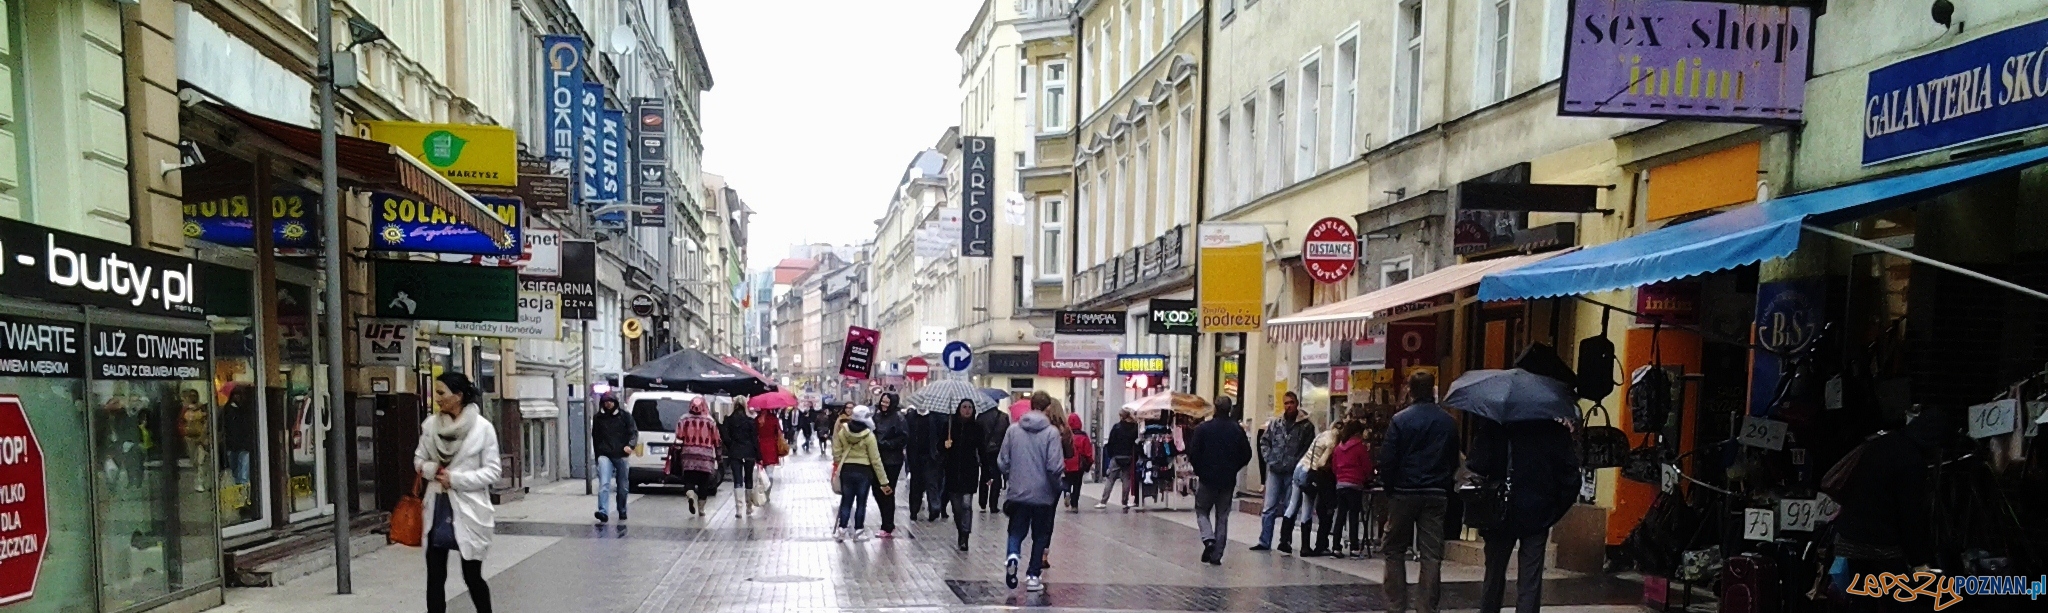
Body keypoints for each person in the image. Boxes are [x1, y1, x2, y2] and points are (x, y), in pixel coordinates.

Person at [1830, 410, 1946, 610]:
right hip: (1881, 545)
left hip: (1850, 537)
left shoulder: (1880, 444)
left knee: (1862, 600)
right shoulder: (1911, 462)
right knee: (1899, 600)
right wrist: (1923, 561)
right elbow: (1911, 516)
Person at [1467, 417, 1579, 613]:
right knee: (1530, 581)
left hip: (1499, 510)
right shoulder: (1553, 429)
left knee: (1493, 575)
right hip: (1538, 511)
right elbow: (1570, 477)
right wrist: (1554, 510)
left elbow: (1477, 464)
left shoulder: (1495, 424)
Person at [414, 373, 499, 613]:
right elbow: (419, 459)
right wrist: (430, 469)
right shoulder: (430, 425)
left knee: (472, 575)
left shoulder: (483, 429)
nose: (436, 398)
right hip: (438, 506)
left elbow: (493, 471)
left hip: (470, 509)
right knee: (435, 576)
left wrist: (457, 479)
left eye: (441, 393)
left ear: (458, 395)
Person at [1376, 371, 1460, 613]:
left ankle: (1396, 605)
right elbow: (1453, 459)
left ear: (1410, 391)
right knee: (1431, 553)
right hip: (1435, 492)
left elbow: (1388, 459)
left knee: (1393, 549)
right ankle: (1426, 607)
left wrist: (1391, 488)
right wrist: (1443, 483)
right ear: (1433, 389)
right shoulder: (1448, 421)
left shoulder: (1400, 420)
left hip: (1404, 491)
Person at [997, 402, 1065, 592]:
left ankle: (1012, 555)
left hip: (1018, 492)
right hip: (1043, 495)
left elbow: (1003, 461)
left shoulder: (1013, 430)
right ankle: (1033, 576)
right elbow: (1054, 466)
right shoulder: (1051, 433)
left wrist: (1012, 475)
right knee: (1040, 535)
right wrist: (1057, 485)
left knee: (1016, 531)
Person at [1185, 398, 1253, 566]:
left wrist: (1201, 470)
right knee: (1222, 516)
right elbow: (1247, 454)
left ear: (1215, 408)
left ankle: (1208, 539)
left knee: (1201, 510)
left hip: (1207, 479)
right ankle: (1217, 555)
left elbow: (1193, 453)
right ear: (1229, 409)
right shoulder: (1237, 430)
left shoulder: (1203, 429)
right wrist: (1234, 468)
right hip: (1227, 480)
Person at [1253, 392, 1316, 553]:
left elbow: (1308, 449)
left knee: (1290, 506)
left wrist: (1298, 464)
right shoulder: (1276, 423)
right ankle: (1264, 540)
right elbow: (1264, 441)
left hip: (1292, 471)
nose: (1289, 406)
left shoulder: (1306, 426)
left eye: (1291, 403)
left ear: (1297, 403)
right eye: (1286, 403)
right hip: (1275, 470)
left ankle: (1285, 540)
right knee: (1269, 507)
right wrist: (1270, 458)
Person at [832, 406, 891, 541]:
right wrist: (884, 481)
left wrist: (840, 463)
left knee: (846, 501)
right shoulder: (869, 436)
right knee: (861, 502)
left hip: (847, 469)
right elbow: (875, 460)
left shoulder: (843, 432)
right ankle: (858, 531)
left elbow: (836, 452)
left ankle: (842, 530)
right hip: (864, 471)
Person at [1293, 411, 1343, 557]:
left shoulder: (1323, 434)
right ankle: (1316, 545)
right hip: (1315, 475)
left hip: (1302, 469)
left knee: (1296, 507)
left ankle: (1300, 544)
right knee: (1321, 509)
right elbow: (1321, 463)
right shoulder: (1332, 441)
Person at [940, 398, 985, 551]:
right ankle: (960, 529)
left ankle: (965, 535)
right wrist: (945, 445)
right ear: (959, 408)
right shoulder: (950, 426)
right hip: (952, 470)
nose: (967, 410)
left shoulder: (977, 428)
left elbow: (982, 449)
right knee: (956, 506)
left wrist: (987, 470)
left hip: (969, 470)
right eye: (964, 407)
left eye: (970, 407)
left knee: (966, 504)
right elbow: (939, 447)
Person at [1328, 419, 1375, 558]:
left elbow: (1334, 467)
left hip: (1341, 484)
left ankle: (1336, 547)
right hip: (1354, 485)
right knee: (1353, 516)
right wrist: (1367, 477)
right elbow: (1366, 466)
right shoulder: (1359, 447)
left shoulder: (1338, 448)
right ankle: (1354, 547)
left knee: (1341, 515)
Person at [671, 397, 722, 516]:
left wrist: (677, 454)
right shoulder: (710, 421)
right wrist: (719, 458)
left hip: (688, 456)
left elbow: (678, 439)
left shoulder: (683, 419)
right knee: (703, 483)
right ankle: (701, 509)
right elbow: (717, 441)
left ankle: (690, 494)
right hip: (705, 458)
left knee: (689, 479)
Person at [590, 394, 635, 523]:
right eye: (605, 402)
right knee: (604, 483)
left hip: (621, 454)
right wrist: (598, 455)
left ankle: (622, 509)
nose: (608, 404)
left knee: (622, 486)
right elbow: (595, 437)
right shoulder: (598, 418)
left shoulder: (625, 417)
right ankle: (603, 511)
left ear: (615, 402)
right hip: (605, 454)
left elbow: (633, 432)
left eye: (610, 401)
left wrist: (630, 445)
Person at [870, 393, 910, 537]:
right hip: (877, 459)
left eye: (887, 402)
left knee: (887, 490)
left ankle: (887, 525)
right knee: (876, 490)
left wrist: (886, 444)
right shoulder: (877, 416)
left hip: (892, 460)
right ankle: (886, 521)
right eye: (883, 401)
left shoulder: (899, 418)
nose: (884, 404)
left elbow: (903, 438)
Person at [905, 397, 944, 522]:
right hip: (915, 457)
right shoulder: (911, 417)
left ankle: (934, 509)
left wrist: (940, 450)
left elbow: (940, 436)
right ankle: (914, 510)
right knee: (916, 485)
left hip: (931, 457)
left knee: (931, 483)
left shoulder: (936, 418)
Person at [721, 399, 762, 517]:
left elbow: (726, 437)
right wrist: (758, 455)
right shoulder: (750, 421)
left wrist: (731, 446)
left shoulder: (728, 420)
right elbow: (755, 439)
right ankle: (749, 506)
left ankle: (739, 509)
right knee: (748, 478)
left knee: (737, 480)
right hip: (749, 453)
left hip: (735, 452)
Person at [1096, 411, 1140, 510]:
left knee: (1110, 479)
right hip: (1128, 457)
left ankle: (1103, 501)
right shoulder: (1134, 428)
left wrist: (1111, 455)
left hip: (1116, 457)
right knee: (1126, 479)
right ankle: (1125, 501)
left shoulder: (1117, 427)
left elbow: (1111, 442)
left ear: (1121, 416)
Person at [976, 398, 1010, 513]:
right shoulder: (1003, 417)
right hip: (998, 450)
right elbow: (1007, 436)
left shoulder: (980, 417)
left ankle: (982, 502)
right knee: (996, 477)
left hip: (984, 451)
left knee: (984, 475)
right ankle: (993, 504)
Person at [1061, 412, 1094, 512]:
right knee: (1077, 484)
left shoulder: (1065, 435)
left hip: (1066, 463)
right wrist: (1089, 462)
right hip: (1078, 465)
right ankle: (1074, 504)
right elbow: (1088, 451)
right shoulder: (1083, 436)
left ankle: (1066, 493)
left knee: (1066, 481)